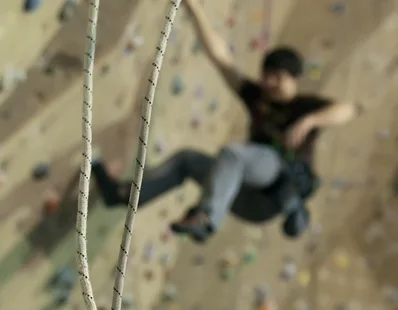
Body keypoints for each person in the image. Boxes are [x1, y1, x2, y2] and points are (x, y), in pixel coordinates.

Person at [92, 0, 359, 243]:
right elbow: (221, 58)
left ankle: (206, 218)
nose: (269, 83)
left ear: (293, 78)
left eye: (277, 76)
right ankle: (122, 195)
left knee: (234, 154)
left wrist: (310, 121)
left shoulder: (304, 107)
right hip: (237, 192)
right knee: (187, 160)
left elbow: (349, 109)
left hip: (272, 188)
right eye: (266, 75)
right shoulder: (257, 96)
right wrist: (193, 7)